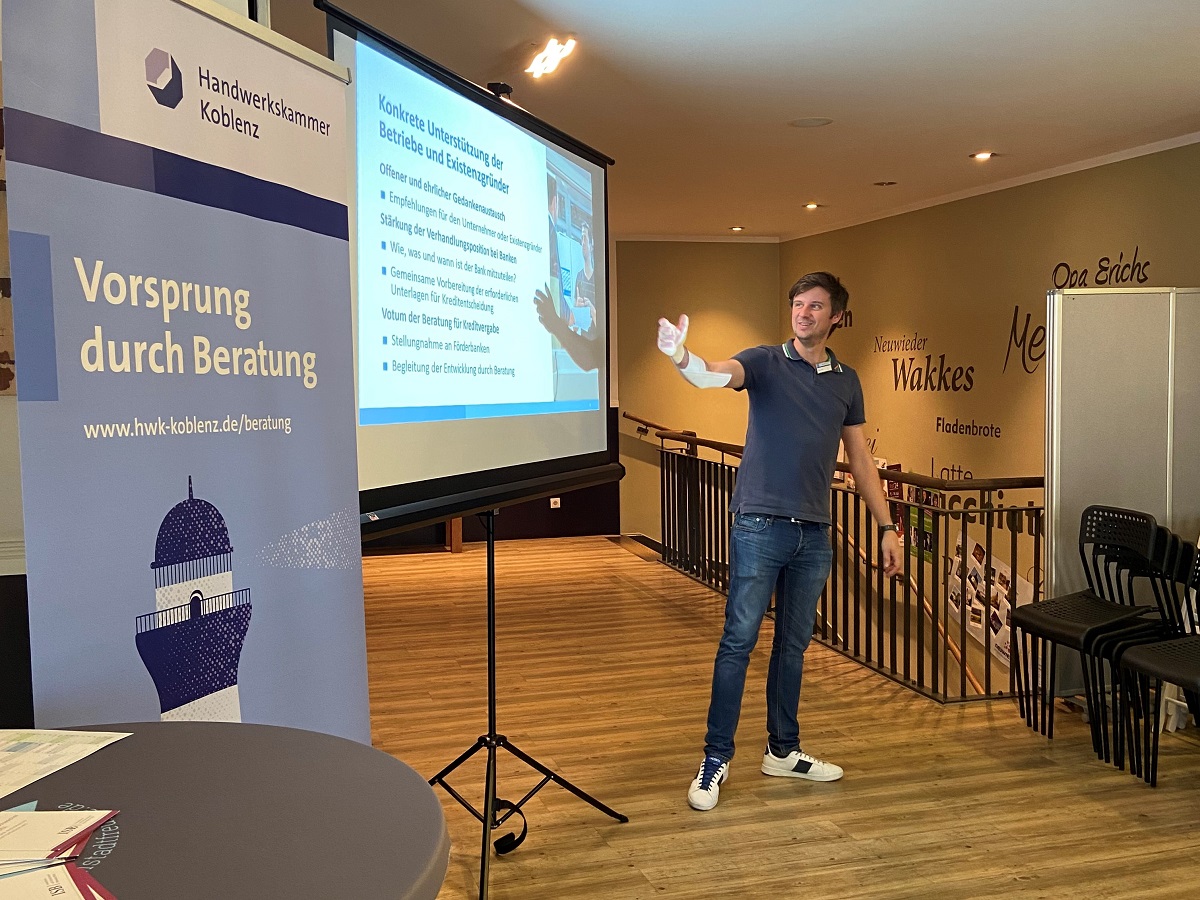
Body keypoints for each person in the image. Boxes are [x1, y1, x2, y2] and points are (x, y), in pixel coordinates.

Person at [656, 271, 902, 812]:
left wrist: (887, 527)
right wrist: (681, 357)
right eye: (798, 304)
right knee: (738, 642)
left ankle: (783, 750)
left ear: (836, 316)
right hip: (759, 526)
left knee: (793, 646)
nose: (804, 313)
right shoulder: (766, 361)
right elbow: (710, 376)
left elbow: (860, 460)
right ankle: (716, 758)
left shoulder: (847, 380)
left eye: (816, 306)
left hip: (815, 532)